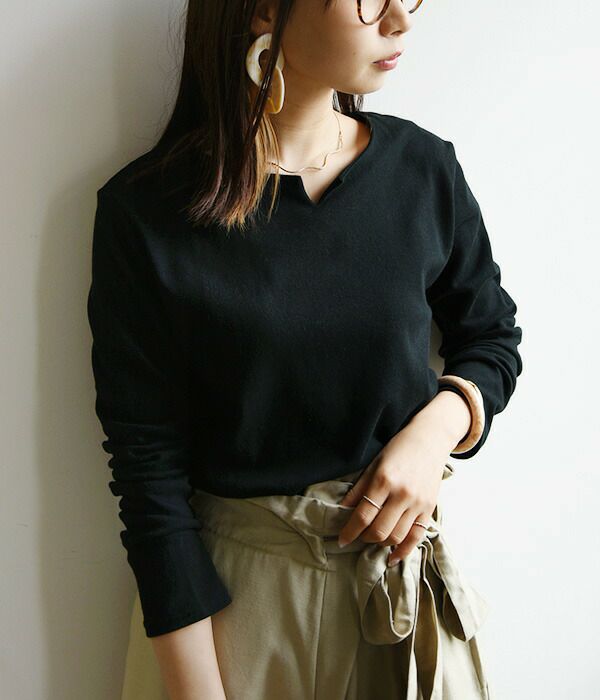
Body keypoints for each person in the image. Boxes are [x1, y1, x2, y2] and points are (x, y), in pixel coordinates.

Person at [86, 1, 523, 698]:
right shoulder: (149, 211)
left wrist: (434, 434)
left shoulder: (423, 169)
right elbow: (146, 467)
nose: (400, 21)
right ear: (264, 9)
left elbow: (491, 335)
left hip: (397, 591)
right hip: (235, 606)